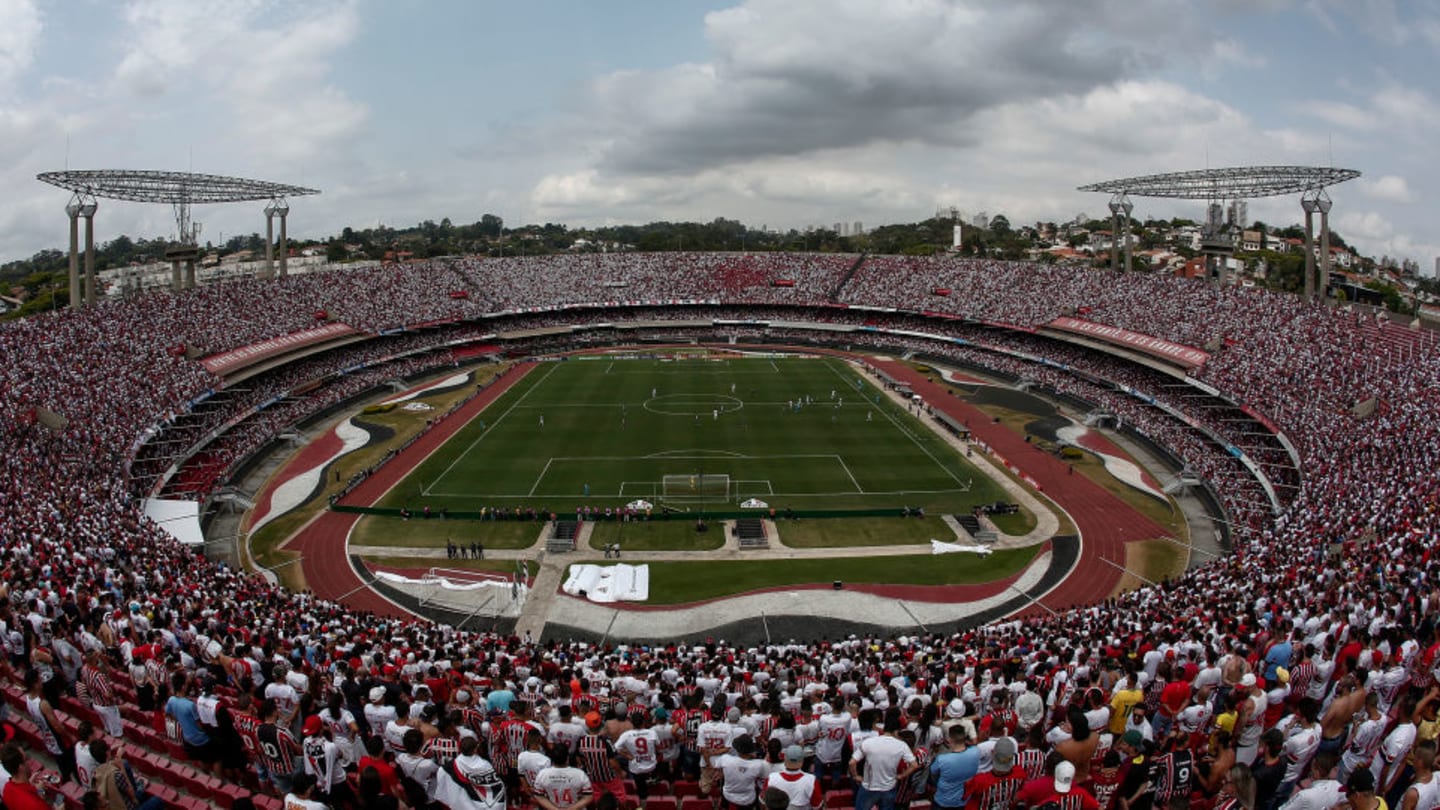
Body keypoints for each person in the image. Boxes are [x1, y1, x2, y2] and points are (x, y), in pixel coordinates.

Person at [850, 712, 919, 810]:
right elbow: (914, 765)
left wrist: (855, 776)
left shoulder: (869, 742)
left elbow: (852, 762)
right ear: (896, 731)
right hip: (888, 788)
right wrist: (901, 776)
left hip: (869, 787)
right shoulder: (902, 745)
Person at [435, 736, 507, 810]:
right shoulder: (485, 765)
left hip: (465, 805)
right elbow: (496, 787)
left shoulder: (450, 766)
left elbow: (442, 774)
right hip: (485, 805)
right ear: (475, 749)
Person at [929, 722, 979, 810]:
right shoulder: (976, 752)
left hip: (943, 801)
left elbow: (933, 773)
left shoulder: (942, 759)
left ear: (950, 739)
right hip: (964, 801)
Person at [767, 745, 822, 810]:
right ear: (802, 761)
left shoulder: (771, 778)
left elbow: (764, 803)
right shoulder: (811, 780)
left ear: (785, 759)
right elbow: (817, 806)